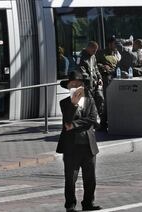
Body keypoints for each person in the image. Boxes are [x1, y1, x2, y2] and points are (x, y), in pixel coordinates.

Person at [57, 71, 102, 212]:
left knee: (90, 179)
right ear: (68, 87)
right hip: (72, 147)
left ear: (83, 86)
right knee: (71, 178)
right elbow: (67, 121)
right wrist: (73, 105)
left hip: (88, 145)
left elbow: (93, 120)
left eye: (78, 84)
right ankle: (70, 205)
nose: (76, 87)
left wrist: (75, 125)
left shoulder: (90, 101)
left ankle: (88, 203)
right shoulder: (64, 103)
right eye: (73, 85)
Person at [78, 41, 106, 130]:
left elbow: (96, 68)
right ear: (89, 48)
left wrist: (99, 78)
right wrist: (91, 80)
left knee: (100, 100)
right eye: (93, 50)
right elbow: (82, 71)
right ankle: (92, 123)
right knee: (89, 104)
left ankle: (103, 122)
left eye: (96, 51)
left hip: (95, 84)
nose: (95, 52)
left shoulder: (93, 56)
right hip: (86, 85)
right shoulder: (81, 57)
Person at [96, 36, 121, 131]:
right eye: (115, 44)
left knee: (114, 101)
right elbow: (96, 64)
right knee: (106, 102)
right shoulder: (101, 53)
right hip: (107, 78)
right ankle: (103, 124)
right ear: (110, 44)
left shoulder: (117, 53)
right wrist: (103, 66)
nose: (116, 46)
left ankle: (113, 122)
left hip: (116, 78)